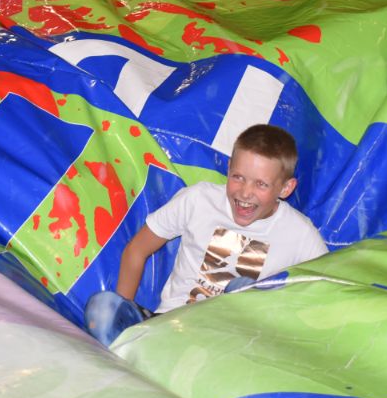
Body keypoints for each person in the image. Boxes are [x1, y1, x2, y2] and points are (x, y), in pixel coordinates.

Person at [84, 124, 328, 345]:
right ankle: (128, 341)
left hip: (232, 345)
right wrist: (121, 308)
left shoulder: (300, 234)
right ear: (229, 168)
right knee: (102, 310)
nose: (245, 192)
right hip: (169, 325)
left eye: (261, 184)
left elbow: (327, 297)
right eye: (238, 177)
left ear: (286, 188)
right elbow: (136, 250)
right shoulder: (199, 200)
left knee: (242, 291)